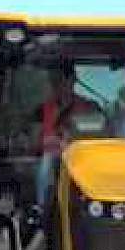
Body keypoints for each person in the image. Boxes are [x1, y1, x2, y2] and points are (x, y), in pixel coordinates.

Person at [33, 63, 104, 208]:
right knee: (46, 164)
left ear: (72, 80)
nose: (56, 85)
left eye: (60, 80)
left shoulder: (91, 107)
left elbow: (101, 135)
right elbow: (34, 138)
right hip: (54, 155)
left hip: (83, 155)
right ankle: (42, 208)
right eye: (53, 81)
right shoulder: (42, 110)